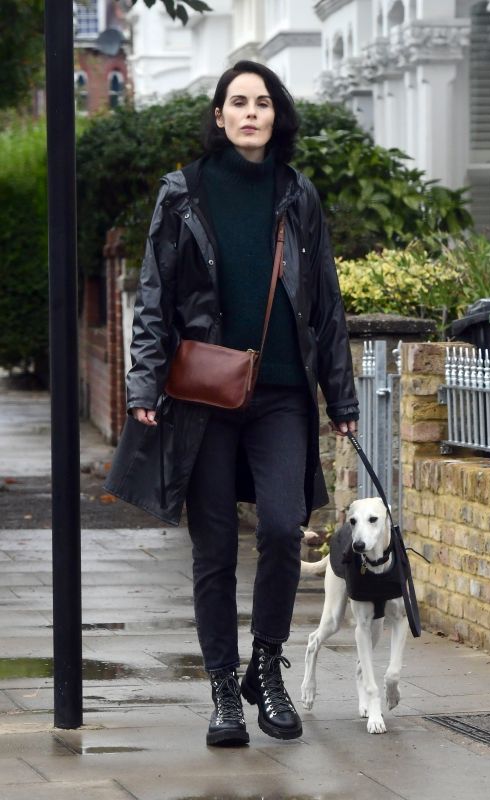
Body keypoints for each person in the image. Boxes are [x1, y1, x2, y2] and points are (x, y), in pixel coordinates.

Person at [104, 61, 358, 747]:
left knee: (281, 527)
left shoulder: (296, 194)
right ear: (218, 116)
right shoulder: (183, 193)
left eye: (262, 102)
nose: (250, 112)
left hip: (280, 393)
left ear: (277, 115)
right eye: (237, 102)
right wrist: (143, 384)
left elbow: (324, 303)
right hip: (202, 395)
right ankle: (223, 687)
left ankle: (265, 667)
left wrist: (341, 394)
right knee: (213, 547)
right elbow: (156, 295)